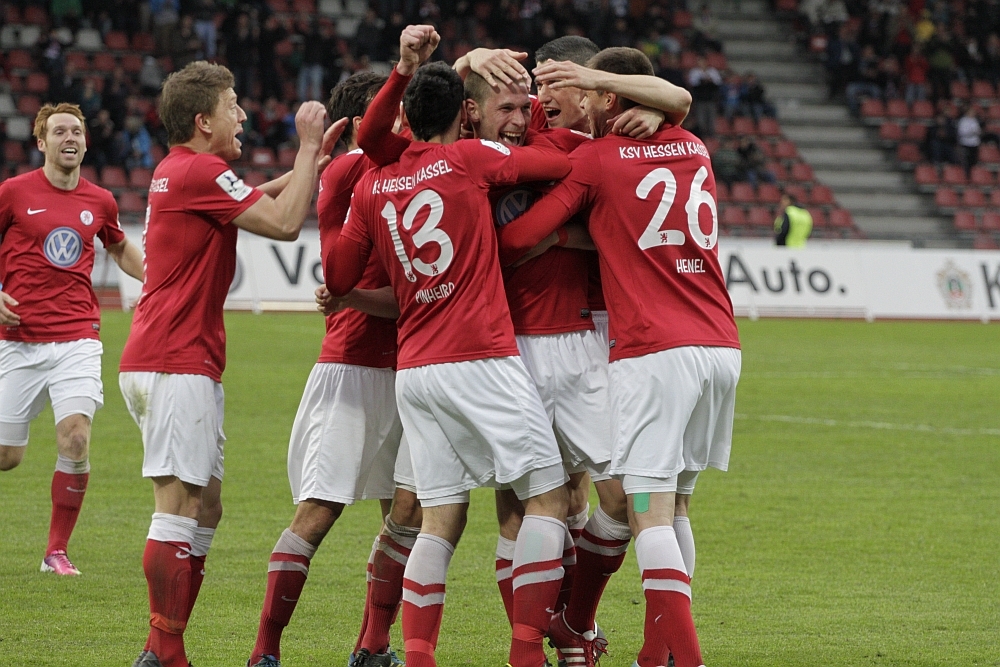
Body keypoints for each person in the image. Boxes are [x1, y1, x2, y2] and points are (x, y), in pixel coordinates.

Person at [327, 25, 573, 667]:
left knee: (439, 517)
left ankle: (417, 657)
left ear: (406, 115)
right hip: (481, 356)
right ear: (465, 113)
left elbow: (338, 276)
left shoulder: (374, 182)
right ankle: (526, 654)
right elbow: (556, 165)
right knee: (548, 497)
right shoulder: (471, 160)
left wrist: (406, 68)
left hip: (416, 368)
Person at [496, 46, 741, 667]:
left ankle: (684, 660)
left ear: (606, 96)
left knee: (645, 511)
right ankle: (652, 655)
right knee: (676, 505)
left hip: (654, 352)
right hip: (720, 345)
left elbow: (520, 237)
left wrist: (554, 233)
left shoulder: (598, 159)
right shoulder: (694, 145)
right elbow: (679, 102)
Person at [117, 61, 341, 667]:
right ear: (203, 120)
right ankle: (169, 651)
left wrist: (308, 168)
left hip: (173, 357)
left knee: (206, 505)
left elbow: (251, 200)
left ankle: (158, 646)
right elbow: (288, 226)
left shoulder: (180, 171)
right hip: (174, 359)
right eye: (232, 105)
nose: (241, 116)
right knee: (177, 507)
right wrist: (307, 147)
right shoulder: (200, 171)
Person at [248, 71, 422, 667]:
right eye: (389, 112)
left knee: (406, 513)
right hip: (353, 365)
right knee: (320, 510)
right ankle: (265, 650)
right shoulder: (352, 169)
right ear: (356, 127)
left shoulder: (378, 170)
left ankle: (373, 645)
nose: (401, 122)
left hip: (413, 365)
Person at [0, 102, 144, 576]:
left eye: (76, 131)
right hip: (18, 339)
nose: (70, 138)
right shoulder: (14, 192)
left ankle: (56, 551)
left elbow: (119, 247)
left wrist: (160, 280)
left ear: (85, 141)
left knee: (77, 437)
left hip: (78, 337)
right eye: (59, 131)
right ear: (41, 142)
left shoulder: (100, 200)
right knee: (8, 457)